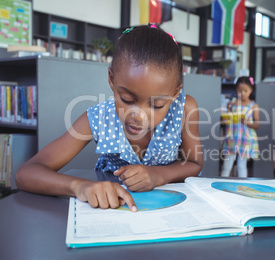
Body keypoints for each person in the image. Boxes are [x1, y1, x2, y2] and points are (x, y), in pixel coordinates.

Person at [16, 25, 203, 212]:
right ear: (112, 80)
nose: (138, 116)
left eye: (157, 105)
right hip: (115, 209)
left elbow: (194, 163)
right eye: (127, 100)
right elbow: (27, 173)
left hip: (172, 209)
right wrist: (79, 186)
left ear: (175, 92)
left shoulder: (185, 108)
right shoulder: (99, 118)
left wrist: (158, 175)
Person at [221, 76, 259, 178]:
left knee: (241, 166)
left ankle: (243, 186)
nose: (242, 93)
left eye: (245, 91)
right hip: (232, 137)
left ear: (251, 90)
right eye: (239, 91)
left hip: (245, 139)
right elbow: (227, 118)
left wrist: (247, 122)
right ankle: (220, 183)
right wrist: (226, 117)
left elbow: (257, 125)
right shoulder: (232, 103)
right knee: (227, 164)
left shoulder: (253, 105)